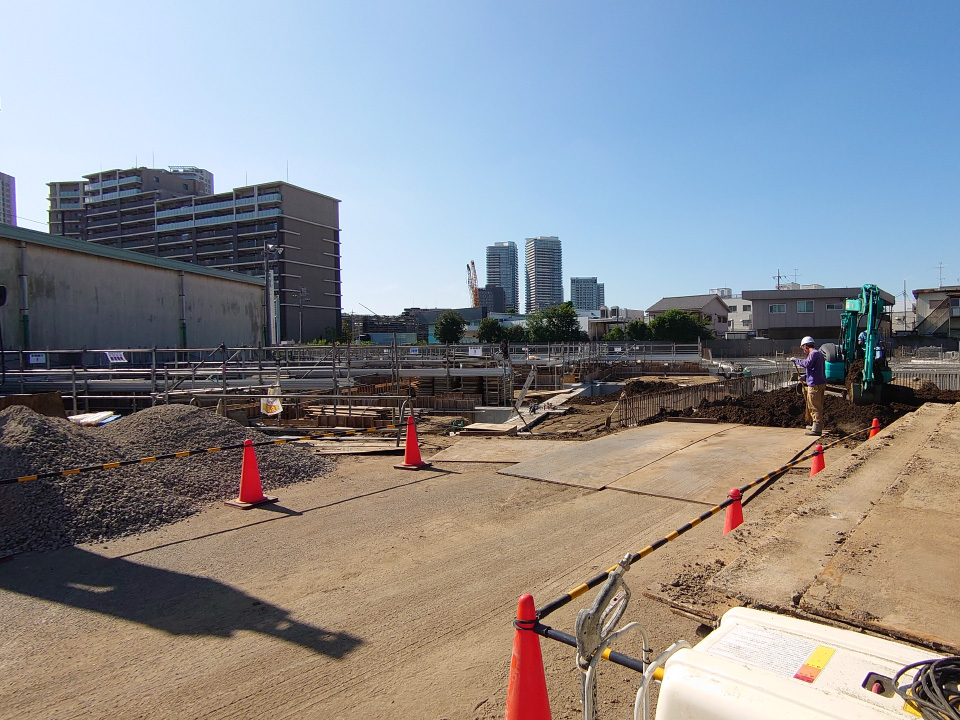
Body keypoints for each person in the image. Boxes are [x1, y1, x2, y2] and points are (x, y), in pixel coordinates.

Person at [795, 336, 826, 436]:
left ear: (805, 346)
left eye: (803, 348)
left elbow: (807, 364)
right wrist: (804, 376)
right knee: (816, 405)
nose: (804, 351)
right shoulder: (819, 354)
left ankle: (817, 429)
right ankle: (815, 425)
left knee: (814, 406)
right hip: (819, 383)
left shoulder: (813, 354)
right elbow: (814, 369)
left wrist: (796, 360)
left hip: (815, 385)